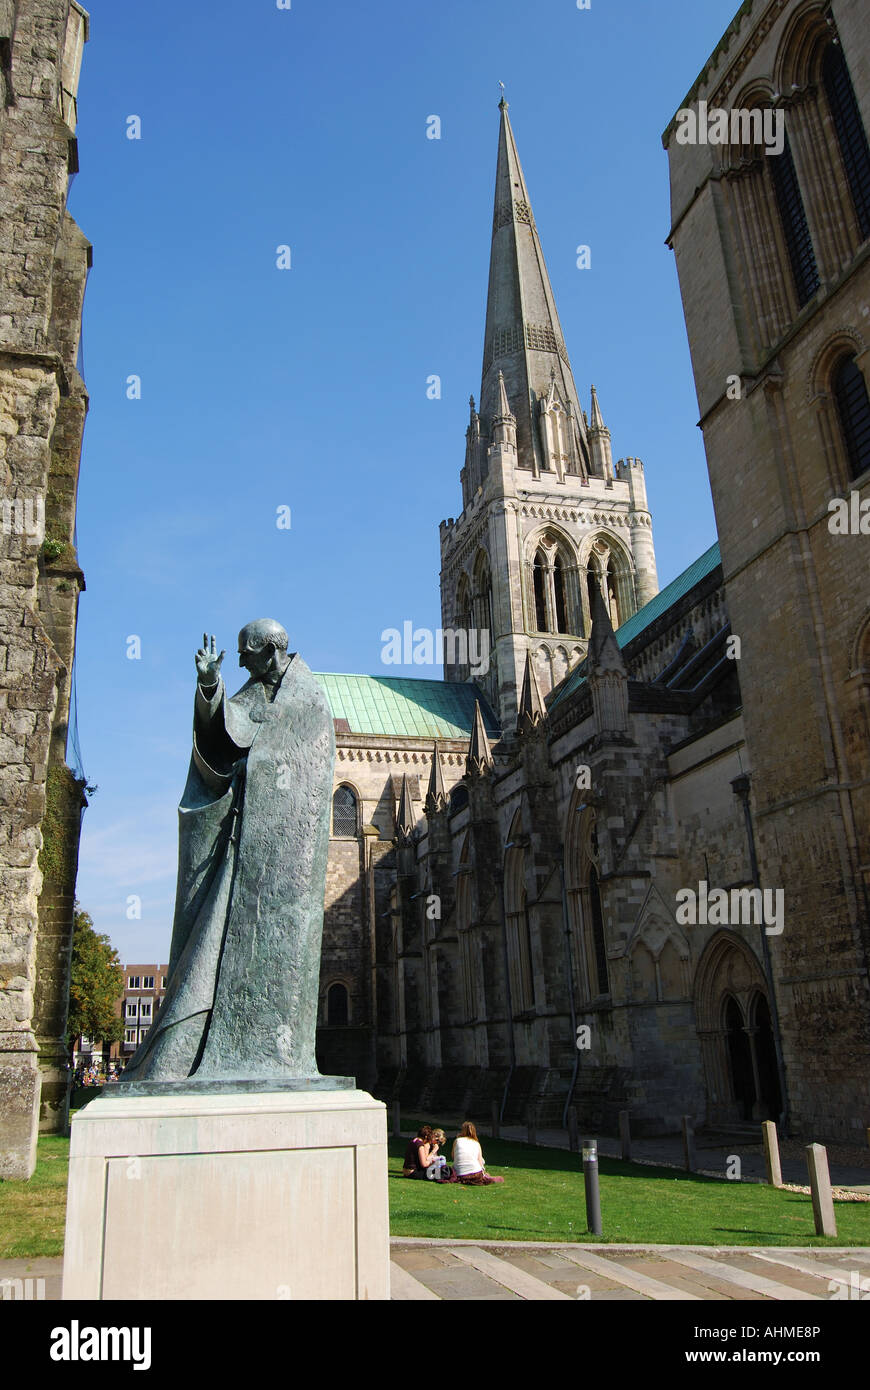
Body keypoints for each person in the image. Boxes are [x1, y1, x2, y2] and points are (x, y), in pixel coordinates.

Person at [452, 1120, 504, 1185]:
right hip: (476, 1174)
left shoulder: (457, 1141)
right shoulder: (476, 1143)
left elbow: (453, 1156)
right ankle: (487, 1177)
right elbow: (480, 1162)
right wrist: (483, 1172)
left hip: (460, 1175)